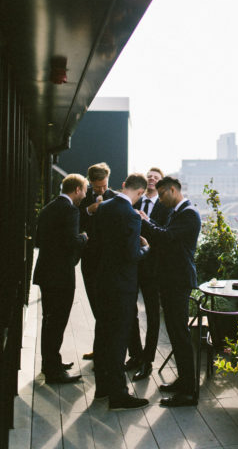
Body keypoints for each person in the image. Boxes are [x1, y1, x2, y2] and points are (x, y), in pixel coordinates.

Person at [139, 176, 201, 407]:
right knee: (175, 332)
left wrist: (145, 220)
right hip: (171, 279)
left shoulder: (188, 214)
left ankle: (188, 391)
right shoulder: (178, 212)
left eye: (162, 194)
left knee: (181, 334)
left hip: (178, 280)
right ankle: (183, 382)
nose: (161, 199)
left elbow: (166, 236)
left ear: (172, 190)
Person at [93, 173, 149, 410]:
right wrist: (145, 248)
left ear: (124, 185)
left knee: (103, 334)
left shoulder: (103, 207)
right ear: (140, 193)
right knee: (118, 339)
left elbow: (96, 243)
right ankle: (118, 395)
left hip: (102, 280)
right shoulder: (131, 215)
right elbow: (131, 255)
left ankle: (102, 387)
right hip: (122, 286)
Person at [33, 174, 88, 384]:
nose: (84, 194)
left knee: (49, 320)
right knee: (57, 321)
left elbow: (39, 240)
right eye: (84, 189)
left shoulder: (48, 208)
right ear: (76, 190)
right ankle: (54, 370)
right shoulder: (70, 210)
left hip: (46, 272)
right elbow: (71, 242)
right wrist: (83, 237)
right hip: (61, 275)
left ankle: (50, 362)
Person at [126, 167, 170, 380]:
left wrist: (147, 221)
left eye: (156, 177)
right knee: (129, 311)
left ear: (160, 184)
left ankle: (148, 360)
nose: (152, 179)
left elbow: (165, 235)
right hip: (133, 265)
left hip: (153, 268)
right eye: (149, 176)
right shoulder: (134, 201)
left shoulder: (164, 206)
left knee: (152, 315)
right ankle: (135, 354)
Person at [79, 162, 116, 360]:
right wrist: (89, 210)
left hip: (109, 261)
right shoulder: (83, 200)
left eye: (104, 185)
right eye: (97, 186)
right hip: (90, 260)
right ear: (90, 183)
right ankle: (100, 348)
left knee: (107, 306)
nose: (101, 190)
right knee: (95, 305)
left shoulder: (117, 199)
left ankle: (105, 350)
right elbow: (75, 222)